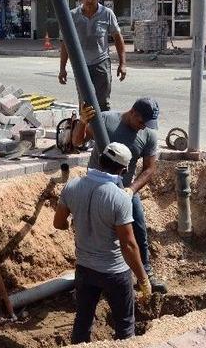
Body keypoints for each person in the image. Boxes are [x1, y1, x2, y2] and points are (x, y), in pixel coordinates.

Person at [54, 142, 152, 343]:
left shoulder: (72, 185)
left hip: (84, 269)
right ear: (124, 169)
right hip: (114, 272)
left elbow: (58, 223)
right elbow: (129, 245)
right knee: (125, 325)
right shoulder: (119, 198)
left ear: (100, 160)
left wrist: (76, 221)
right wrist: (143, 279)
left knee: (82, 322)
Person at [71, 96, 167, 294]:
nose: (143, 127)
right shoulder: (105, 120)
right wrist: (82, 122)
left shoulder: (148, 135)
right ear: (133, 112)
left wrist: (131, 189)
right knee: (93, 231)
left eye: (148, 124)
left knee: (138, 230)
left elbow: (149, 169)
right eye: (141, 122)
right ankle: (90, 278)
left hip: (125, 190)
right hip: (96, 189)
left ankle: (145, 274)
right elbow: (77, 141)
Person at [58, 0, 126, 112]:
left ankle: (104, 126)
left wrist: (122, 64)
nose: (89, 0)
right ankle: (86, 126)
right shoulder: (72, 16)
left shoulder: (107, 14)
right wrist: (62, 68)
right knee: (85, 105)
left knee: (103, 104)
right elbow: (65, 43)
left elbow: (118, 38)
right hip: (81, 66)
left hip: (101, 64)